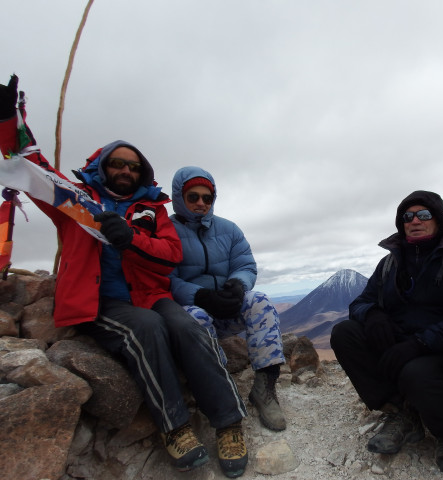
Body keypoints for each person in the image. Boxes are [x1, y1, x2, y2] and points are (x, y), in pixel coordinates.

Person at [0, 75, 249, 478]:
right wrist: (5, 121)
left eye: (133, 166)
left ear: (142, 172)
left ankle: (229, 422)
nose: (125, 170)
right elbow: (32, 169)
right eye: (117, 163)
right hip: (101, 302)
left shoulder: (153, 207)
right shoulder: (75, 201)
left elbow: (170, 255)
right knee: (146, 329)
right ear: (101, 166)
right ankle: (175, 426)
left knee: (189, 328)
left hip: (150, 294)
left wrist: (130, 237)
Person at [330, 190, 443, 475]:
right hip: (399, 340)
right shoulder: (391, 262)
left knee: (415, 371)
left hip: (439, 345)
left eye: (424, 215)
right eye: (407, 216)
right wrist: (374, 315)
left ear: (437, 220)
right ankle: (401, 412)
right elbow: (360, 303)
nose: (415, 221)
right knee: (344, 333)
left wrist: (422, 342)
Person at [169, 166, 287, 432]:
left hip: (227, 304)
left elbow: (246, 265)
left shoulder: (228, 229)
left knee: (260, 301)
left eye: (207, 198)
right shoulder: (166, 230)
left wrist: (237, 285)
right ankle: (221, 389)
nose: (201, 203)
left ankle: (264, 388)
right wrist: (199, 295)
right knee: (195, 318)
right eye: (193, 197)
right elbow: (164, 278)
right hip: (193, 309)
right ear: (179, 197)